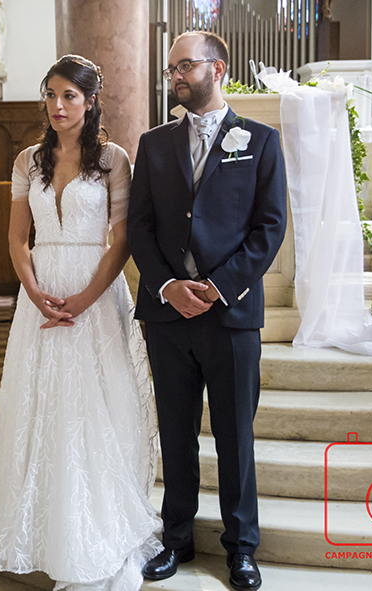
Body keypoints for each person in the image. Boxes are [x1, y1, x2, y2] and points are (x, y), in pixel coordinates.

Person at [0, 55, 162, 591]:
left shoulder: (113, 160)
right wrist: (33, 291)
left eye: (70, 97)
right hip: (40, 291)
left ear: (90, 100)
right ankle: (49, 532)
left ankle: (97, 527)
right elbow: (15, 237)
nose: (58, 106)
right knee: (45, 407)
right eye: (51, 95)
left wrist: (81, 300)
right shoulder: (26, 161)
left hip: (95, 291)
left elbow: (121, 240)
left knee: (96, 408)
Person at [127, 31, 288, 591]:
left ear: (217, 69)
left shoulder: (261, 141)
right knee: (175, 432)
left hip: (231, 316)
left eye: (184, 67)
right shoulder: (154, 144)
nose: (174, 76)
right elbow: (139, 228)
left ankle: (241, 548)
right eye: (171, 68)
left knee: (234, 436)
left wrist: (218, 288)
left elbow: (269, 229)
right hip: (167, 316)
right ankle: (176, 540)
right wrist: (168, 285)